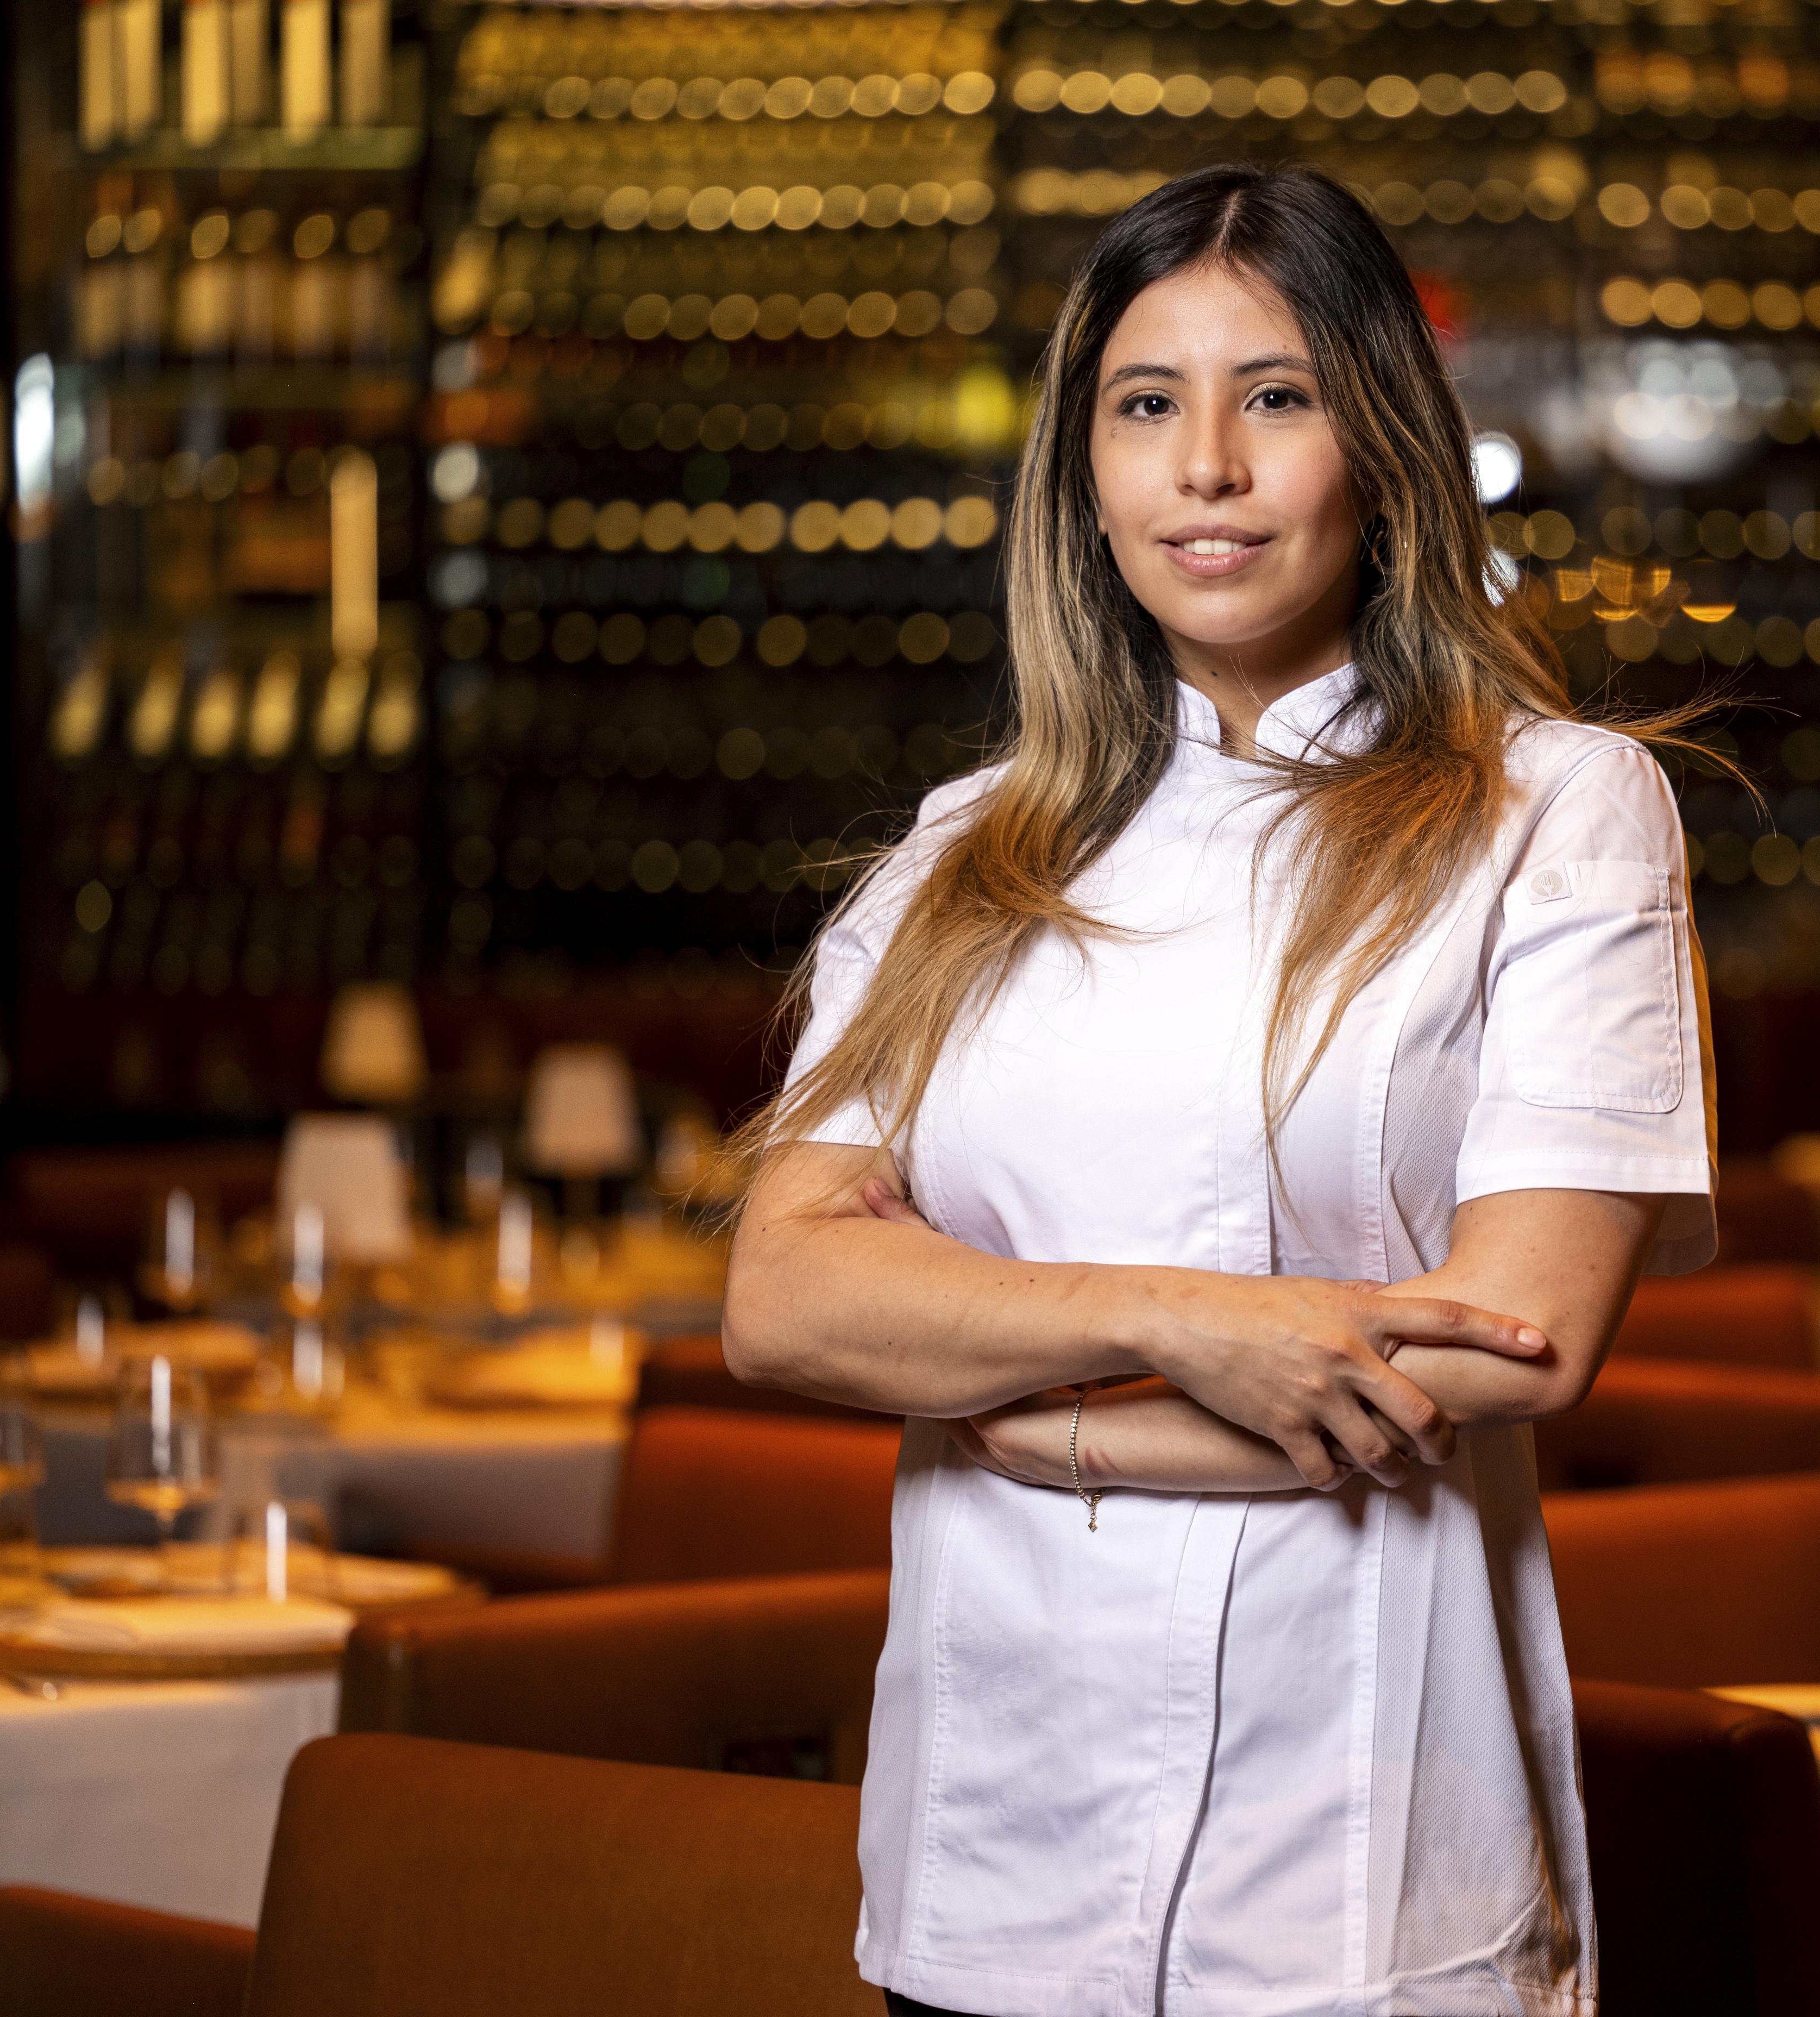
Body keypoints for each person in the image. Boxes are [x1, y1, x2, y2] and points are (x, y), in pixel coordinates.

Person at [721, 161, 1715, 2017]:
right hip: (993, 1865)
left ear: (1382, 444)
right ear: (1084, 476)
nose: (1209, 469)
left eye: (1277, 397)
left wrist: (1050, 1419)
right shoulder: (960, 857)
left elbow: (1517, 1343)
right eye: (1146, 405)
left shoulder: (1558, 810)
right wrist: (1186, 1325)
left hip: (1362, 1874)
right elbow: (783, 1297)